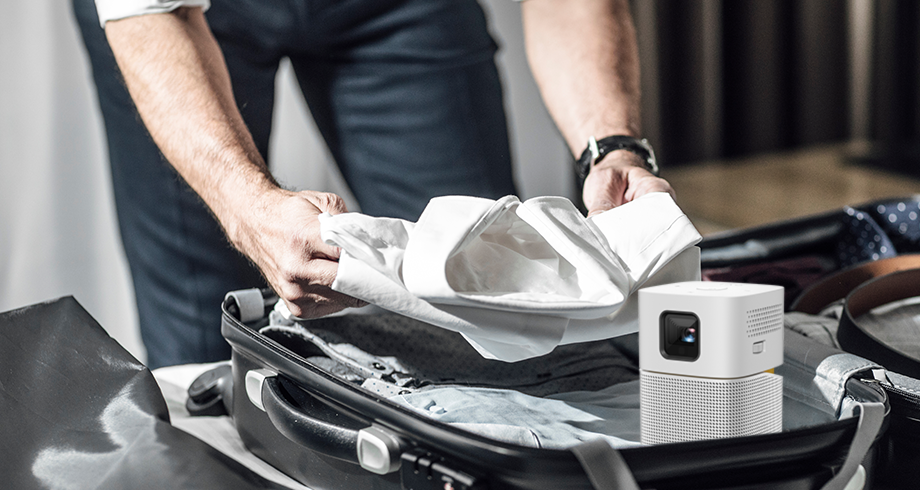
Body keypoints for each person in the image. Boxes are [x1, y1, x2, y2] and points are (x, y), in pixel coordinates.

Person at [73, 0, 673, 368]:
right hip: (178, 14)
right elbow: (152, 12)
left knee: (489, 300)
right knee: (205, 338)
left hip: (396, 9)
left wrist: (611, 149)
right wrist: (248, 210)